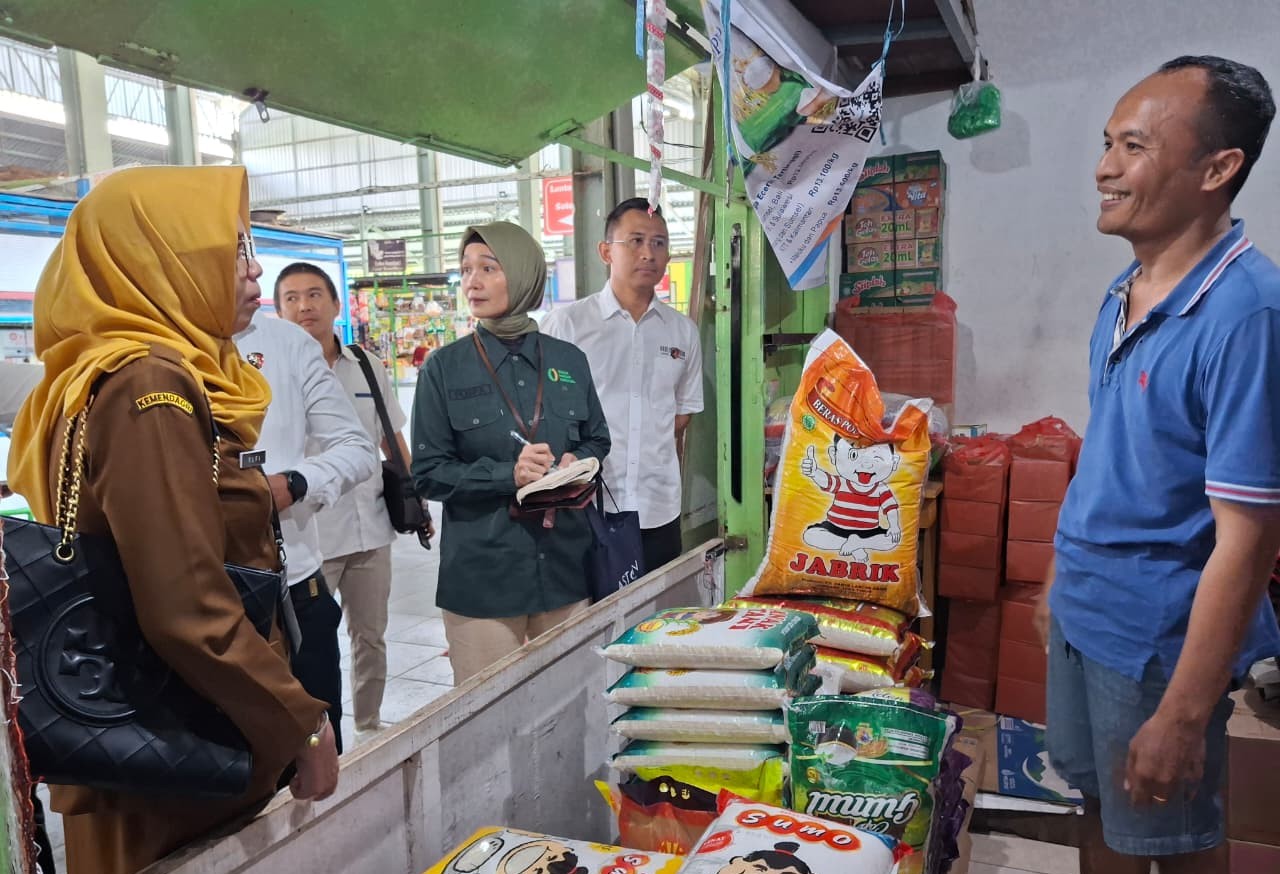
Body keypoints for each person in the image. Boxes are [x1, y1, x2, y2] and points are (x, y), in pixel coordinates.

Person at [7, 165, 338, 874]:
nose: (254, 270)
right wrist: (300, 724)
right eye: (232, 250)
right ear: (162, 261)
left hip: (154, 731)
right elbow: (184, 602)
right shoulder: (148, 387)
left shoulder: (104, 371)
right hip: (173, 746)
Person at [1035, 57, 1280, 874]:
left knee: (1174, 834)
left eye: (1133, 147)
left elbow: (1249, 539)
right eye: (1108, 143)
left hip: (1156, 640)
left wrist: (1182, 713)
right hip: (1088, 613)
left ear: (1217, 169)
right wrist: (1060, 577)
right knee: (1100, 807)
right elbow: (1116, 457)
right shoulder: (1125, 292)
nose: (1104, 168)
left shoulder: (1247, 316)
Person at [411, 221, 611, 684]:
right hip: (483, 579)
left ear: (523, 274)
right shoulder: (444, 368)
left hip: (565, 569)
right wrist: (508, 476)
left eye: (488, 268)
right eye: (465, 270)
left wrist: (576, 462)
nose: (472, 282)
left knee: (571, 698)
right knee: (488, 712)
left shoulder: (568, 360)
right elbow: (429, 472)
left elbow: (597, 438)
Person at [276, 260, 433, 740]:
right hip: (312, 538)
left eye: (314, 295)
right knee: (310, 643)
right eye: (291, 298)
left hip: (372, 526)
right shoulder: (271, 373)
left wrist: (417, 498)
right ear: (278, 311)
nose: (304, 306)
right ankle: (317, 736)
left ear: (335, 304)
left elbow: (391, 439)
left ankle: (368, 726)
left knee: (371, 636)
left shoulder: (366, 365)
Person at [235, 305, 378, 755]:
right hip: (194, 597)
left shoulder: (287, 343)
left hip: (292, 586)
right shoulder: (154, 346)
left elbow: (357, 448)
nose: (253, 272)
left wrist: (295, 484)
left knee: (315, 751)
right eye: (237, 265)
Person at [540, 199, 702, 572]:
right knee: (590, 607)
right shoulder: (567, 325)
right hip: (584, 504)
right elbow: (543, 414)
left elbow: (681, 415)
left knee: (659, 605)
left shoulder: (682, 332)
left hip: (658, 507)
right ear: (606, 251)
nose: (648, 253)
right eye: (636, 241)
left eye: (659, 243)